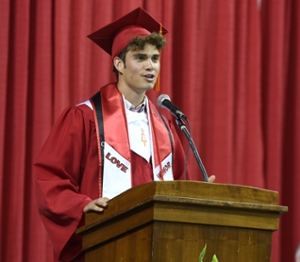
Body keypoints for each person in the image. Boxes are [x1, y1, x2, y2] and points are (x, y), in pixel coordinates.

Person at [33, 7, 215, 262]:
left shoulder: (166, 124)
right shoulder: (86, 117)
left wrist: (200, 195)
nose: (150, 65)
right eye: (140, 57)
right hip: (104, 244)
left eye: (155, 58)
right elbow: (51, 178)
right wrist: (79, 205)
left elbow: (176, 185)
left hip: (157, 247)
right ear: (118, 63)